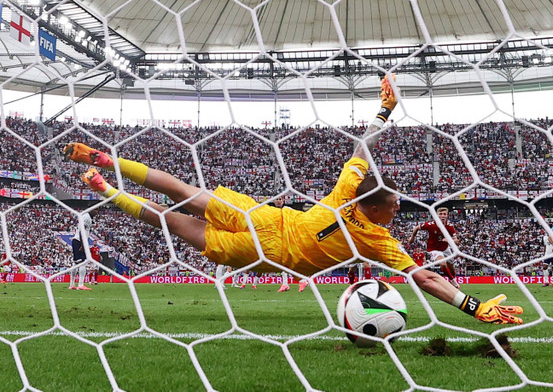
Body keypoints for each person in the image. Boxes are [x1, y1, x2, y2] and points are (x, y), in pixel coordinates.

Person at [62, 76, 523, 325]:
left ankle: (106, 173)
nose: (399, 208)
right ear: (376, 208)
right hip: (271, 247)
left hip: (264, 224)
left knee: (179, 205)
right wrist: (470, 305)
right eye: (395, 205)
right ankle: (104, 173)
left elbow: (363, 148)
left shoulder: (352, 189)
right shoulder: (378, 241)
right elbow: (422, 278)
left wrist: (384, 112)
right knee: (176, 212)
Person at [408, 207, 461, 289]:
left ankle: (453, 279)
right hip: (433, 249)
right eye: (440, 214)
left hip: (445, 248)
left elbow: (456, 241)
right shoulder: (430, 225)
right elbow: (417, 227)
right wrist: (412, 238)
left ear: (447, 216)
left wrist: (450, 240)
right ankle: (453, 280)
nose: (442, 216)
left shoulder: (450, 226)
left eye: (444, 214)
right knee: (443, 264)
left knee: (451, 266)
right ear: (437, 215)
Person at [69, 212, 93, 291]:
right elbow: (81, 230)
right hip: (80, 241)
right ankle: (81, 285)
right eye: (96, 210)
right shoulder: (86, 217)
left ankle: (72, 284)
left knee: (75, 263)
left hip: (77, 240)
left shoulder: (86, 217)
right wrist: (83, 244)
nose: (97, 212)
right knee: (83, 262)